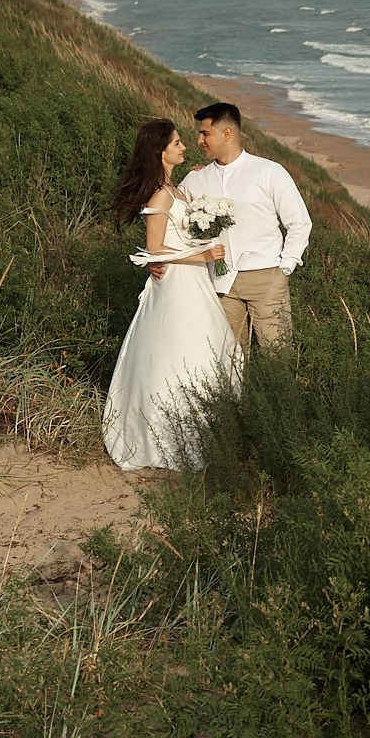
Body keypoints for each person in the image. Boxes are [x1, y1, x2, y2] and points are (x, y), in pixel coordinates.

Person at [102, 119, 241, 471]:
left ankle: (204, 430)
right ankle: (167, 434)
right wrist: (203, 255)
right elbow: (154, 248)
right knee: (181, 351)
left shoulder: (175, 189)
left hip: (194, 282)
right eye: (177, 143)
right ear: (160, 151)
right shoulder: (162, 194)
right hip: (178, 284)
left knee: (204, 350)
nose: (183, 147)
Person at [167, 102, 311, 352]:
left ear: (227, 133)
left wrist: (285, 268)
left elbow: (299, 222)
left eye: (205, 133)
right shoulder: (195, 178)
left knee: (277, 354)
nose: (199, 140)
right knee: (228, 358)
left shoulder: (269, 172)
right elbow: (174, 222)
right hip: (220, 282)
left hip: (266, 277)